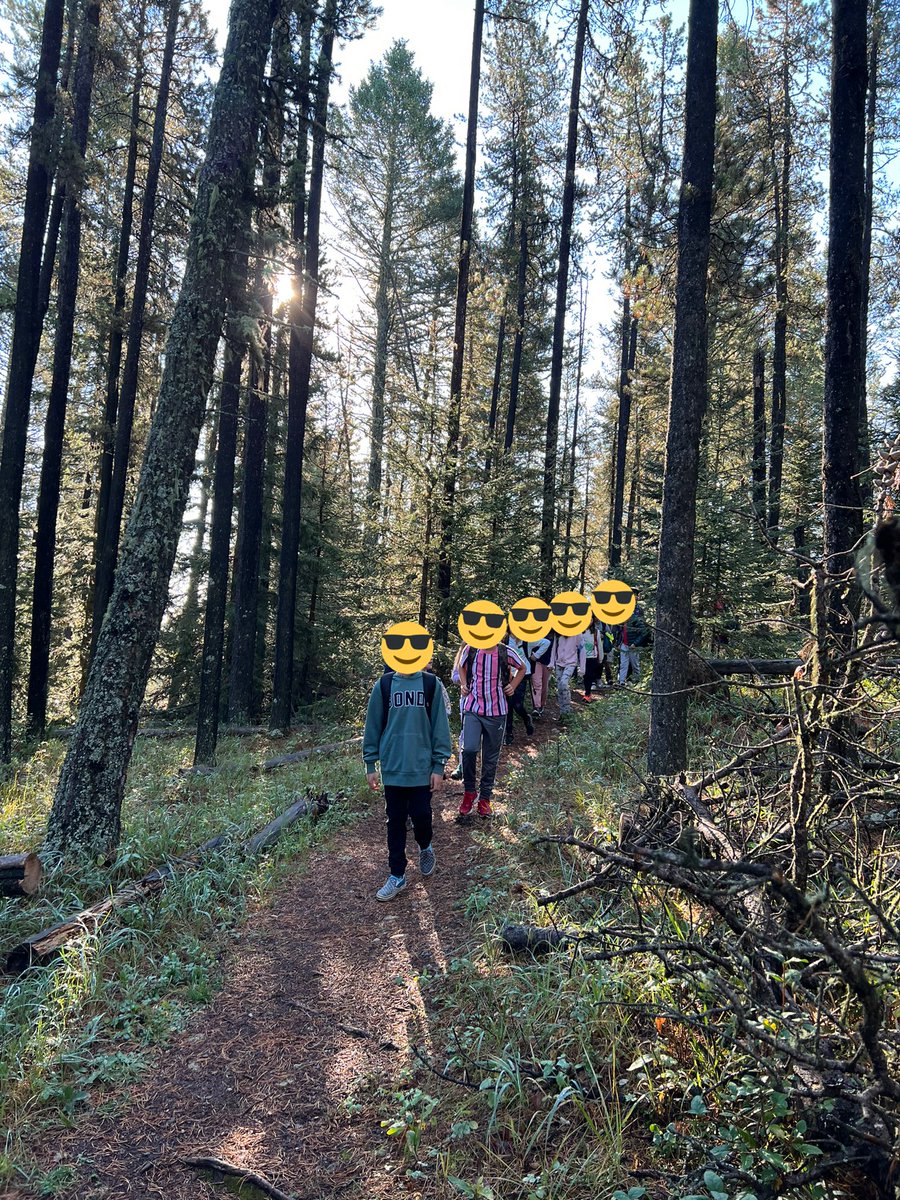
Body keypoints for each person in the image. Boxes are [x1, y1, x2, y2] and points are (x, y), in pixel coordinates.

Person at [363, 660, 452, 902]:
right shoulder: (384, 684)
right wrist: (370, 763)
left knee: (422, 815)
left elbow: (440, 728)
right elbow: (373, 725)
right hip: (393, 767)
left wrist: (438, 765)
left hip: (422, 768)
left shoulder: (430, 684)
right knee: (395, 822)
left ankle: (425, 847)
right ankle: (397, 874)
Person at [457, 639, 526, 821]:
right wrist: (464, 684)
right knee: (469, 749)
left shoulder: (505, 652)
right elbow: (461, 666)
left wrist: (513, 685)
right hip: (473, 708)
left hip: (497, 712)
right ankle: (469, 792)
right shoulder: (471, 649)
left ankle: (485, 798)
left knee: (490, 757)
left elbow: (523, 667)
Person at [504, 634, 534, 744]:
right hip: (506, 675)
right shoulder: (504, 638)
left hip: (522, 674)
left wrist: (534, 656)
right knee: (508, 705)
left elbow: (545, 642)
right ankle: (508, 734)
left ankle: (526, 718)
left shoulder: (525, 639)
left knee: (517, 705)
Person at [617, 591, 652, 685]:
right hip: (624, 644)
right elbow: (619, 631)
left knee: (634, 664)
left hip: (633, 645)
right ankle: (622, 682)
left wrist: (635, 643)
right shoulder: (623, 621)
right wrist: (618, 643)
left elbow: (644, 632)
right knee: (623, 664)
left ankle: (637, 681)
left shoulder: (635, 619)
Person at [550, 630, 585, 719]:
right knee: (559, 687)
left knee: (564, 683)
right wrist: (551, 663)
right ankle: (562, 713)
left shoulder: (577, 633)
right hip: (559, 663)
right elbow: (554, 648)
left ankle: (567, 709)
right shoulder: (558, 633)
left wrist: (582, 667)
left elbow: (582, 649)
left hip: (571, 662)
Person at [528, 635, 552, 717]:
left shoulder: (553, 633)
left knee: (545, 684)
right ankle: (536, 707)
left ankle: (542, 705)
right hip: (535, 661)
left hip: (548, 662)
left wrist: (553, 662)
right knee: (537, 683)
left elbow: (555, 647)